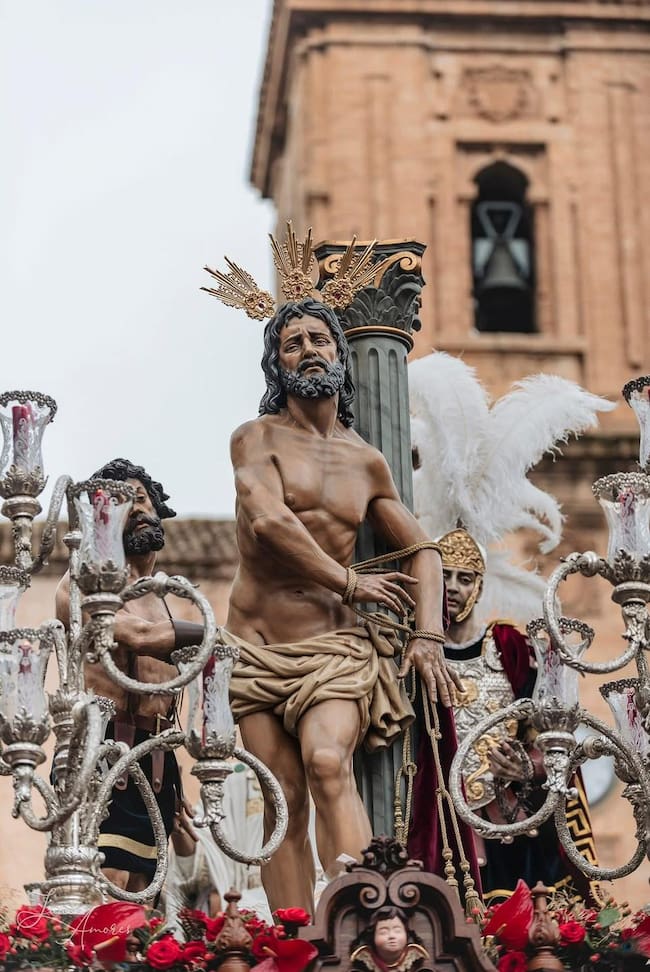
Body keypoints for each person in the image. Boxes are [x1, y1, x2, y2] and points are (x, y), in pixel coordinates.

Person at [221, 298, 461, 912]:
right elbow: (270, 522)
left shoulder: (366, 460)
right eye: (293, 342)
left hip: (335, 650)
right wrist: (350, 583)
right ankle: (296, 938)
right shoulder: (255, 439)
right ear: (276, 364)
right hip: (259, 648)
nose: (308, 349)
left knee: (329, 762)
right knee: (282, 798)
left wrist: (428, 634)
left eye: (319, 338)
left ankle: (362, 922)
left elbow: (423, 551)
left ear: (339, 353)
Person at [409, 527, 596, 902]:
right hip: (436, 818)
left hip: (509, 823)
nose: (452, 588)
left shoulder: (511, 649)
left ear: (479, 586)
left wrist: (527, 766)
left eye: (464, 578)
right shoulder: (412, 653)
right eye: (443, 576)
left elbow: (551, 737)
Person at [55, 458, 204, 895]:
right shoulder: (83, 582)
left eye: (141, 500)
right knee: (106, 884)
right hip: (102, 752)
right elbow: (140, 636)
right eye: (121, 504)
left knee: (146, 891)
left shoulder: (168, 597)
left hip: (157, 758)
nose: (137, 510)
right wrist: (217, 635)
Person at [350, 906, 428, 972]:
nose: (391, 936)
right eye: (383, 932)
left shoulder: (413, 954)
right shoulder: (365, 955)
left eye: (397, 931)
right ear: (373, 936)